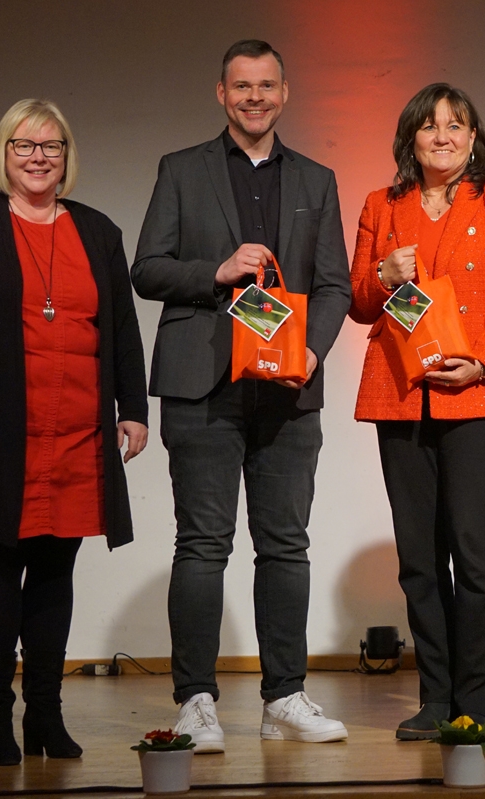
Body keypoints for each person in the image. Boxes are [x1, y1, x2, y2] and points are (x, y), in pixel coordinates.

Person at [0, 99, 149, 766]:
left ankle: (46, 711)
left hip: (76, 428)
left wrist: (133, 407)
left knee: (55, 569)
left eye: (52, 145)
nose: (38, 157)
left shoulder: (97, 230)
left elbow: (122, 328)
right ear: (4, 152)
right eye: (25, 145)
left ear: (67, 155)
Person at [132, 39, 351, 750]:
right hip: (202, 381)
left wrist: (311, 351)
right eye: (242, 86)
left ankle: (284, 695)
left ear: (284, 93)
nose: (255, 97)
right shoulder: (181, 169)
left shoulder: (317, 179)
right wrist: (217, 271)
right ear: (221, 94)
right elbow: (147, 268)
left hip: (288, 389)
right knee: (202, 543)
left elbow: (334, 285)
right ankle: (195, 700)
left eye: (266, 85)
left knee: (286, 545)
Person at [350, 83, 485, 739]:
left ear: (472, 137)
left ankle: (479, 700)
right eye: (429, 125)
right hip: (402, 395)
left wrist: (483, 361)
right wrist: (383, 275)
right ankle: (436, 696)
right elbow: (358, 302)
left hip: (479, 394)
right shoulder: (381, 204)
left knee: (475, 554)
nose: (442, 135)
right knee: (419, 559)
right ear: (410, 138)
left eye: (455, 125)